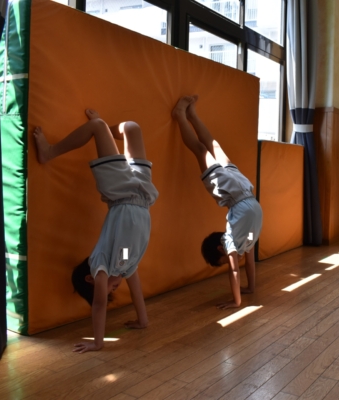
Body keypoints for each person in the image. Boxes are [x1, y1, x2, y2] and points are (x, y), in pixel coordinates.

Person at [33, 109, 159, 353]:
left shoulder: (101, 265)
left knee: (97, 125)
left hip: (121, 192)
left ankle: (50, 152)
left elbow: (99, 304)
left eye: (111, 288)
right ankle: (107, 142)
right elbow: (137, 293)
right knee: (132, 126)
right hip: (143, 194)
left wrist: (98, 342)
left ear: (92, 279)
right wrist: (143, 321)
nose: (114, 287)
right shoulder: (126, 266)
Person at [172, 95, 263, 310]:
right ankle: (191, 115)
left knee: (204, 150)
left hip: (235, 193)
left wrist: (237, 301)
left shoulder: (231, 241)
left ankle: (182, 116)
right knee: (214, 148)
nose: (233, 261)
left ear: (220, 249)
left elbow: (235, 271)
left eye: (225, 260)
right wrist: (250, 287)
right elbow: (249, 264)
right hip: (244, 192)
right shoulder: (245, 243)